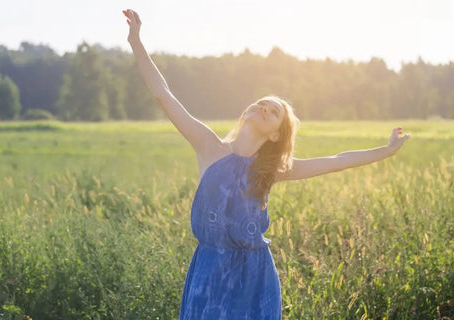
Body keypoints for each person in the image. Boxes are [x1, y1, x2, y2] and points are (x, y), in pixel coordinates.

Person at [122, 9, 411, 320]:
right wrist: (136, 41)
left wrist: (387, 150)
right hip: (210, 270)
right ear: (247, 112)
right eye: (261, 103)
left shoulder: (273, 169)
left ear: (276, 134)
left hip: (256, 276)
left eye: (273, 112)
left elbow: (336, 162)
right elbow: (164, 95)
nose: (263, 108)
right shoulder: (209, 146)